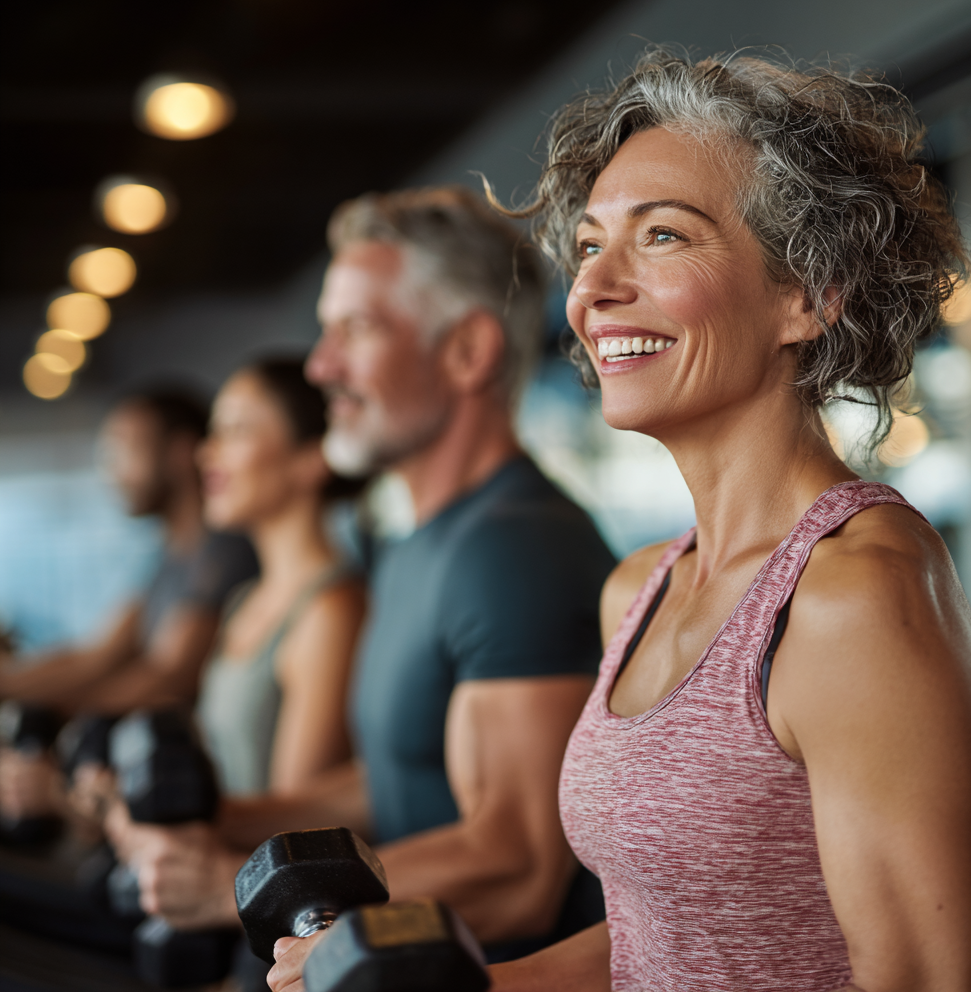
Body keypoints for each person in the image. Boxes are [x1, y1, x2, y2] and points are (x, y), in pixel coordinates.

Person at [466, 49, 971, 991]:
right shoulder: (641, 590)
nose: (593, 291)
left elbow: (923, 979)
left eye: (663, 237)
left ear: (807, 295)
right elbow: (665, 940)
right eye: (591, 246)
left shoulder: (849, 592)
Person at [124, 187, 616, 972]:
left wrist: (230, 890)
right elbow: (397, 774)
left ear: (466, 351)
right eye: (326, 333)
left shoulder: (516, 549)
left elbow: (518, 863)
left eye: (355, 329)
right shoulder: (415, 541)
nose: (321, 366)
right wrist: (225, 825)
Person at [105, 359, 367, 990]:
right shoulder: (244, 600)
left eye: (237, 429)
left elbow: (293, 845)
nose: (205, 452)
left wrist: (181, 838)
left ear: (311, 459)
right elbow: (212, 773)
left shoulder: (330, 608)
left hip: (269, 946)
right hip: (215, 921)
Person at [0, 389, 258, 826]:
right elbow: (100, 653)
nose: (113, 471)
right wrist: (10, 682)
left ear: (179, 452)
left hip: (213, 796)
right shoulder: (172, 556)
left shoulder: (222, 551)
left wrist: (55, 705)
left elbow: (167, 676)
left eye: (127, 449)